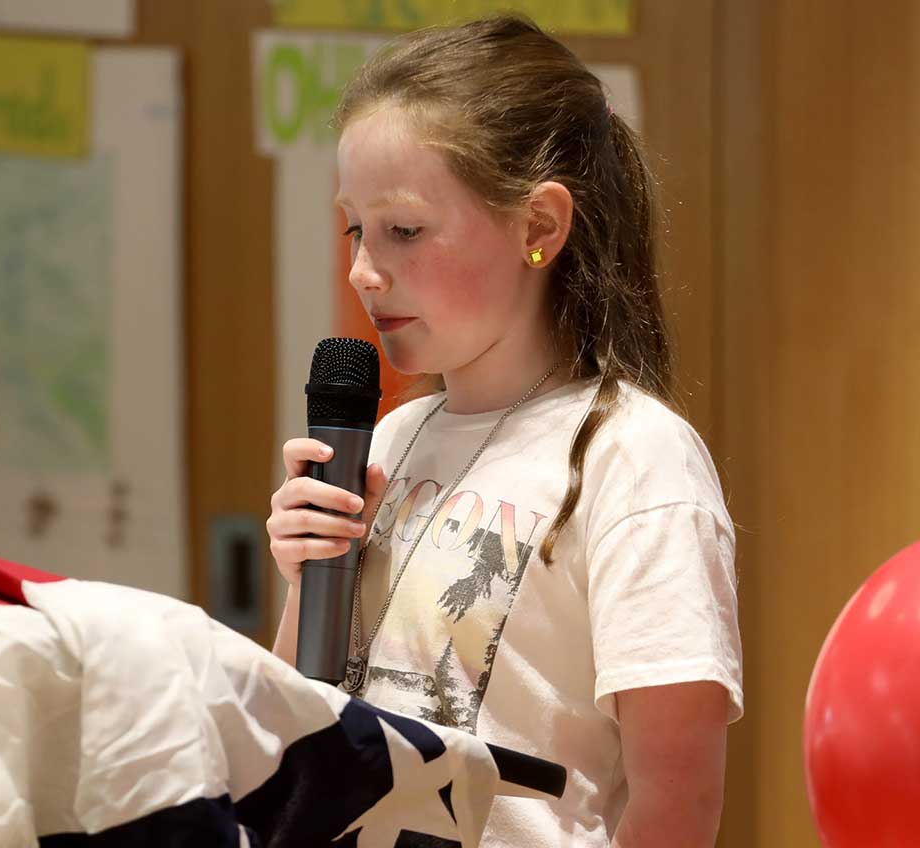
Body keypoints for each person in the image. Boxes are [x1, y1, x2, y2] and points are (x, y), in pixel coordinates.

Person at [266, 15, 743, 847]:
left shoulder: (633, 460)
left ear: (539, 229)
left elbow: (680, 803)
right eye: (356, 229)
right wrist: (307, 576)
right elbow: (298, 729)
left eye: (404, 231)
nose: (364, 272)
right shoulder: (388, 440)